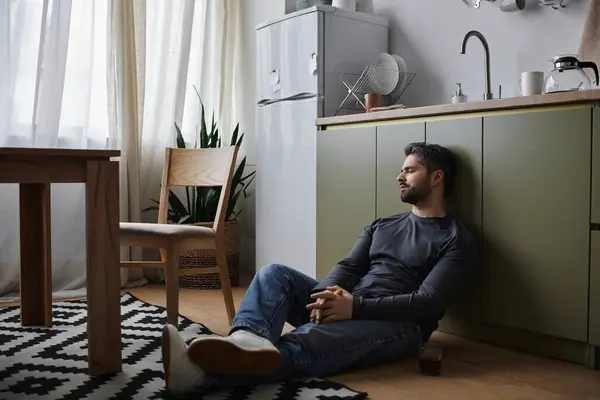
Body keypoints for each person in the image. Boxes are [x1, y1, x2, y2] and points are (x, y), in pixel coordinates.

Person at [161, 141, 480, 395]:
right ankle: (248, 339)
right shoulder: (382, 225)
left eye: (410, 170)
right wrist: (325, 296)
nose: (399, 176)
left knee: (302, 342)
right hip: (350, 304)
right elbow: (349, 266)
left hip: (399, 326)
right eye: (401, 170)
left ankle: (199, 379)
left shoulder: (456, 239)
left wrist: (353, 308)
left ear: (437, 177)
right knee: (274, 273)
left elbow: (426, 303)